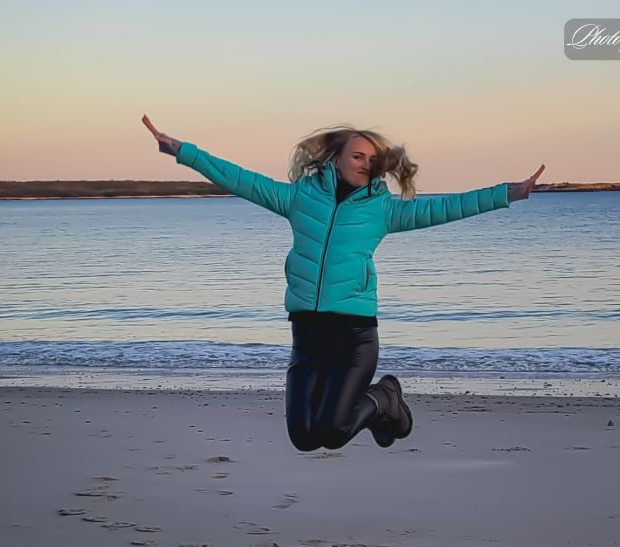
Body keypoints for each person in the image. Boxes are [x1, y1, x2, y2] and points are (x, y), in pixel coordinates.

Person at [143, 115, 544, 451]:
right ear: (335, 157)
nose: (365, 164)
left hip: (353, 338)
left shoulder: (382, 209)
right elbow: (239, 179)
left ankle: (385, 396)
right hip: (307, 337)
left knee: (333, 434)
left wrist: (508, 193)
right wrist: (183, 151)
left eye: (373, 159)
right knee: (303, 438)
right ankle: (379, 404)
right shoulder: (299, 198)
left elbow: (447, 207)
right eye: (357, 155)